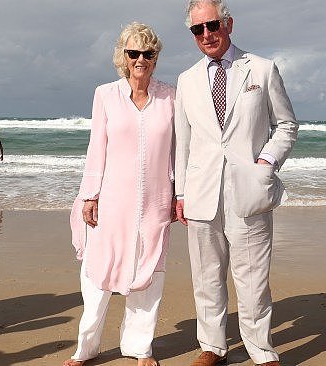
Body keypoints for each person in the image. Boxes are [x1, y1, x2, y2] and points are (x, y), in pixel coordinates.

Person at [174, 1, 299, 365]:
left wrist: (267, 161)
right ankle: (212, 346)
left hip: (249, 190)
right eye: (198, 29)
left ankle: (260, 349)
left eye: (212, 25)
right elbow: (183, 142)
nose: (206, 34)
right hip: (201, 193)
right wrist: (180, 193)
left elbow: (287, 125)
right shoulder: (187, 79)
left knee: (253, 278)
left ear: (228, 23)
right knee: (207, 277)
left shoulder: (262, 68)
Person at [65, 22, 176, 366]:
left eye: (148, 52)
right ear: (123, 57)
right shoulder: (105, 94)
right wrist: (89, 195)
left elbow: (178, 151)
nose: (140, 59)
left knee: (149, 275)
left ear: (156, 57)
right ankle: (86, 348)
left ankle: (140, 348)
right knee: (98, 276)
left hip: (156, 202)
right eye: (134, 53)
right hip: (112, 201)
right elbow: (96, 147)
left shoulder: (171, 97)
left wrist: (179, 194)